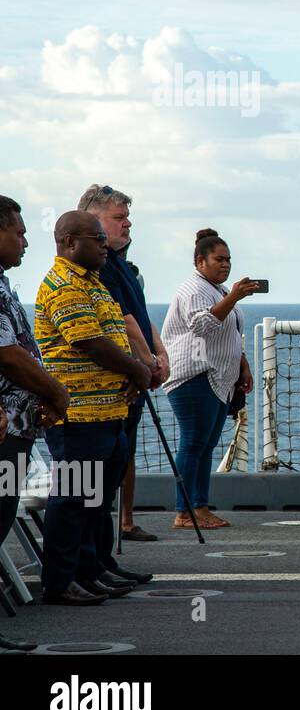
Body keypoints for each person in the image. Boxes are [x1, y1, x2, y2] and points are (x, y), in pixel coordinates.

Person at [35, 211, 154, 606]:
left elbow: (113, 337)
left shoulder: (96, 284)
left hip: (108, 413)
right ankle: (60, 580)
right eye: (96, 238)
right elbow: (91, 342)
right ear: (70, 242)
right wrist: (137, 369)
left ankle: (92, 567)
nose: (105, 244)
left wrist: (131, 378)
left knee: (95, 499)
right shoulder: (65, 285)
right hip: (78, 416)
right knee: (72, 499)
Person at [77, 184, 169, 543]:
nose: (127, 224)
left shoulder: (120, 267)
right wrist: (147, 364)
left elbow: (139, 316)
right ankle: (82, 567)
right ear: (92, 221)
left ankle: (99, 559)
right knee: (90, 485)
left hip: (131, 381)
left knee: (117, 462)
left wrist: (158, 359)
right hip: (106, 388)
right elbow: (122, 322)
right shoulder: (99, 273)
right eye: (119, 218)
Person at [0, 197, 70, 645]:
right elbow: (7, 356)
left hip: (18, 425)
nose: (25, 241)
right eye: (18, 232)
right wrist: (54, 389)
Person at [160, 229, 255, 530]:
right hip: (194, 375)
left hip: (216, 376)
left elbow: (229, 333)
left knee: (205, 445)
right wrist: (236, 296)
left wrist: (243, 366)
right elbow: (202, 325)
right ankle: (185, 510)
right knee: (193, 443)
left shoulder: (218, 290)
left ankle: (198, 506)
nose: (225, 265)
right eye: (219, 259)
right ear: (200, 260)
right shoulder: (194, 289)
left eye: (228, 259)